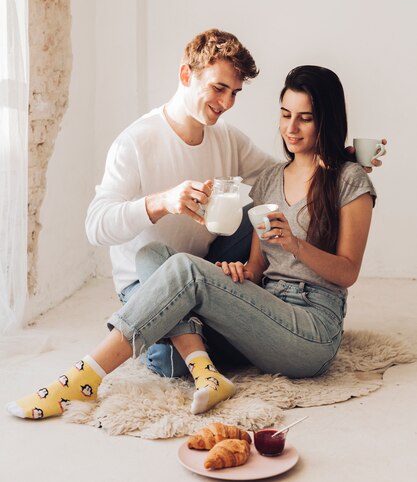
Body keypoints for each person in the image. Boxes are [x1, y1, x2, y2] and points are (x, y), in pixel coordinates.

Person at [7, 64, 377, 420]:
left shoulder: (350, 181)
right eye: (284, 114)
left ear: (325, 120)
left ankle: (84, 378)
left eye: (305, 118)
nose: (290, 128)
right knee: (154, 255)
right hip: (269, 313)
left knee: (183, 272)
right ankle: (205, 373)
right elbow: (256, 270)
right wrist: (237, 274)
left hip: (311, 331)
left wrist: (296, 244)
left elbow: (347, 272)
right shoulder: (268, 180)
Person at [83, 28, 385, 379]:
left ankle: (86, 375)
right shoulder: (134, 143)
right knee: (153, 261)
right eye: (218, 88)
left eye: (234, 93)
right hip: (148, 282)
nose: (226, 103)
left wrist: (339, 161)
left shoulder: (229, 139)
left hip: (285, 308)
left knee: (231, 226)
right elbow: (95, 226)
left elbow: (297, 177)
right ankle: (196, 362)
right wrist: (163, 202)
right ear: (186, 75)